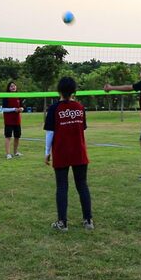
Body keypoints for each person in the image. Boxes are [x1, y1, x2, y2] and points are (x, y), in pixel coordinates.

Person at [44, 77, 93, 231]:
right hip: (79, 152)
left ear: (59, 90)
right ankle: (88, 221)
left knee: (62, 186)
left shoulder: (54, 108)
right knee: (82, 185)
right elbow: (82, 128)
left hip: (62, 152)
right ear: (74, 91)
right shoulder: (80, 107)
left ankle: (62, 223)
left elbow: (50, 133)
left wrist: (47, 152)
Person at [2, 81, 24, 159]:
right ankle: (8, 154)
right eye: (11, 86)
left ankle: (15, 152)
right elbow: (4, 109)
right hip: (8, 120)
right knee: (8, 136)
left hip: (17, 120)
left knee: (17, 136)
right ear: (8, 88)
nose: (13, 87)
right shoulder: (6, 96)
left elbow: (22, 106)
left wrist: (21, 109)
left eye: (14, 86)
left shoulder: (18, 96)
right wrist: (14, 109)